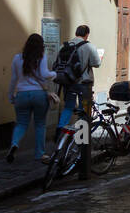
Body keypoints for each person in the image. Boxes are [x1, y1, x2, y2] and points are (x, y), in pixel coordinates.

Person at [7, 34, 57, 162]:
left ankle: (14, 144)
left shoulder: (17, 58)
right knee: (40, 124)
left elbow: (13, 79)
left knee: (21, 124)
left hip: (22, 95)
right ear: (41, 46)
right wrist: (54, 73)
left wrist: (11, 96)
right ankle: (39, 154)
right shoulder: (41, 57)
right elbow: (45, 74)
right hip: (39, 94)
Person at [55, 24, 102, 132]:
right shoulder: (89, 46)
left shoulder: (65, 46)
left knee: (68, 107)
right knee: (84, 110)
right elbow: (97, 63)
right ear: (86, 35)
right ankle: (82, 137)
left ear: (76, 33)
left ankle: (60, 132)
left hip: (68, 82)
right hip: (84, 84)